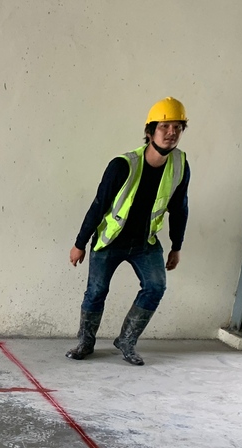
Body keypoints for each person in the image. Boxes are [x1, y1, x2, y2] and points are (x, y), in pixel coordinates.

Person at [66, 97, 191, 365]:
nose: (171, 132)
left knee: (155, 287)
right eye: (165, 126)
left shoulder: (180, 164)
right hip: (109, 241)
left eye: (177, 127)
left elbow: (180, 208)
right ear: (150, 131)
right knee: (96, 292)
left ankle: (126, 341)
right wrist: (79, 243)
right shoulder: (123, 165)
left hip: (145, 243)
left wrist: (176, 246)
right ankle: (85, 343)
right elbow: (99, 205)